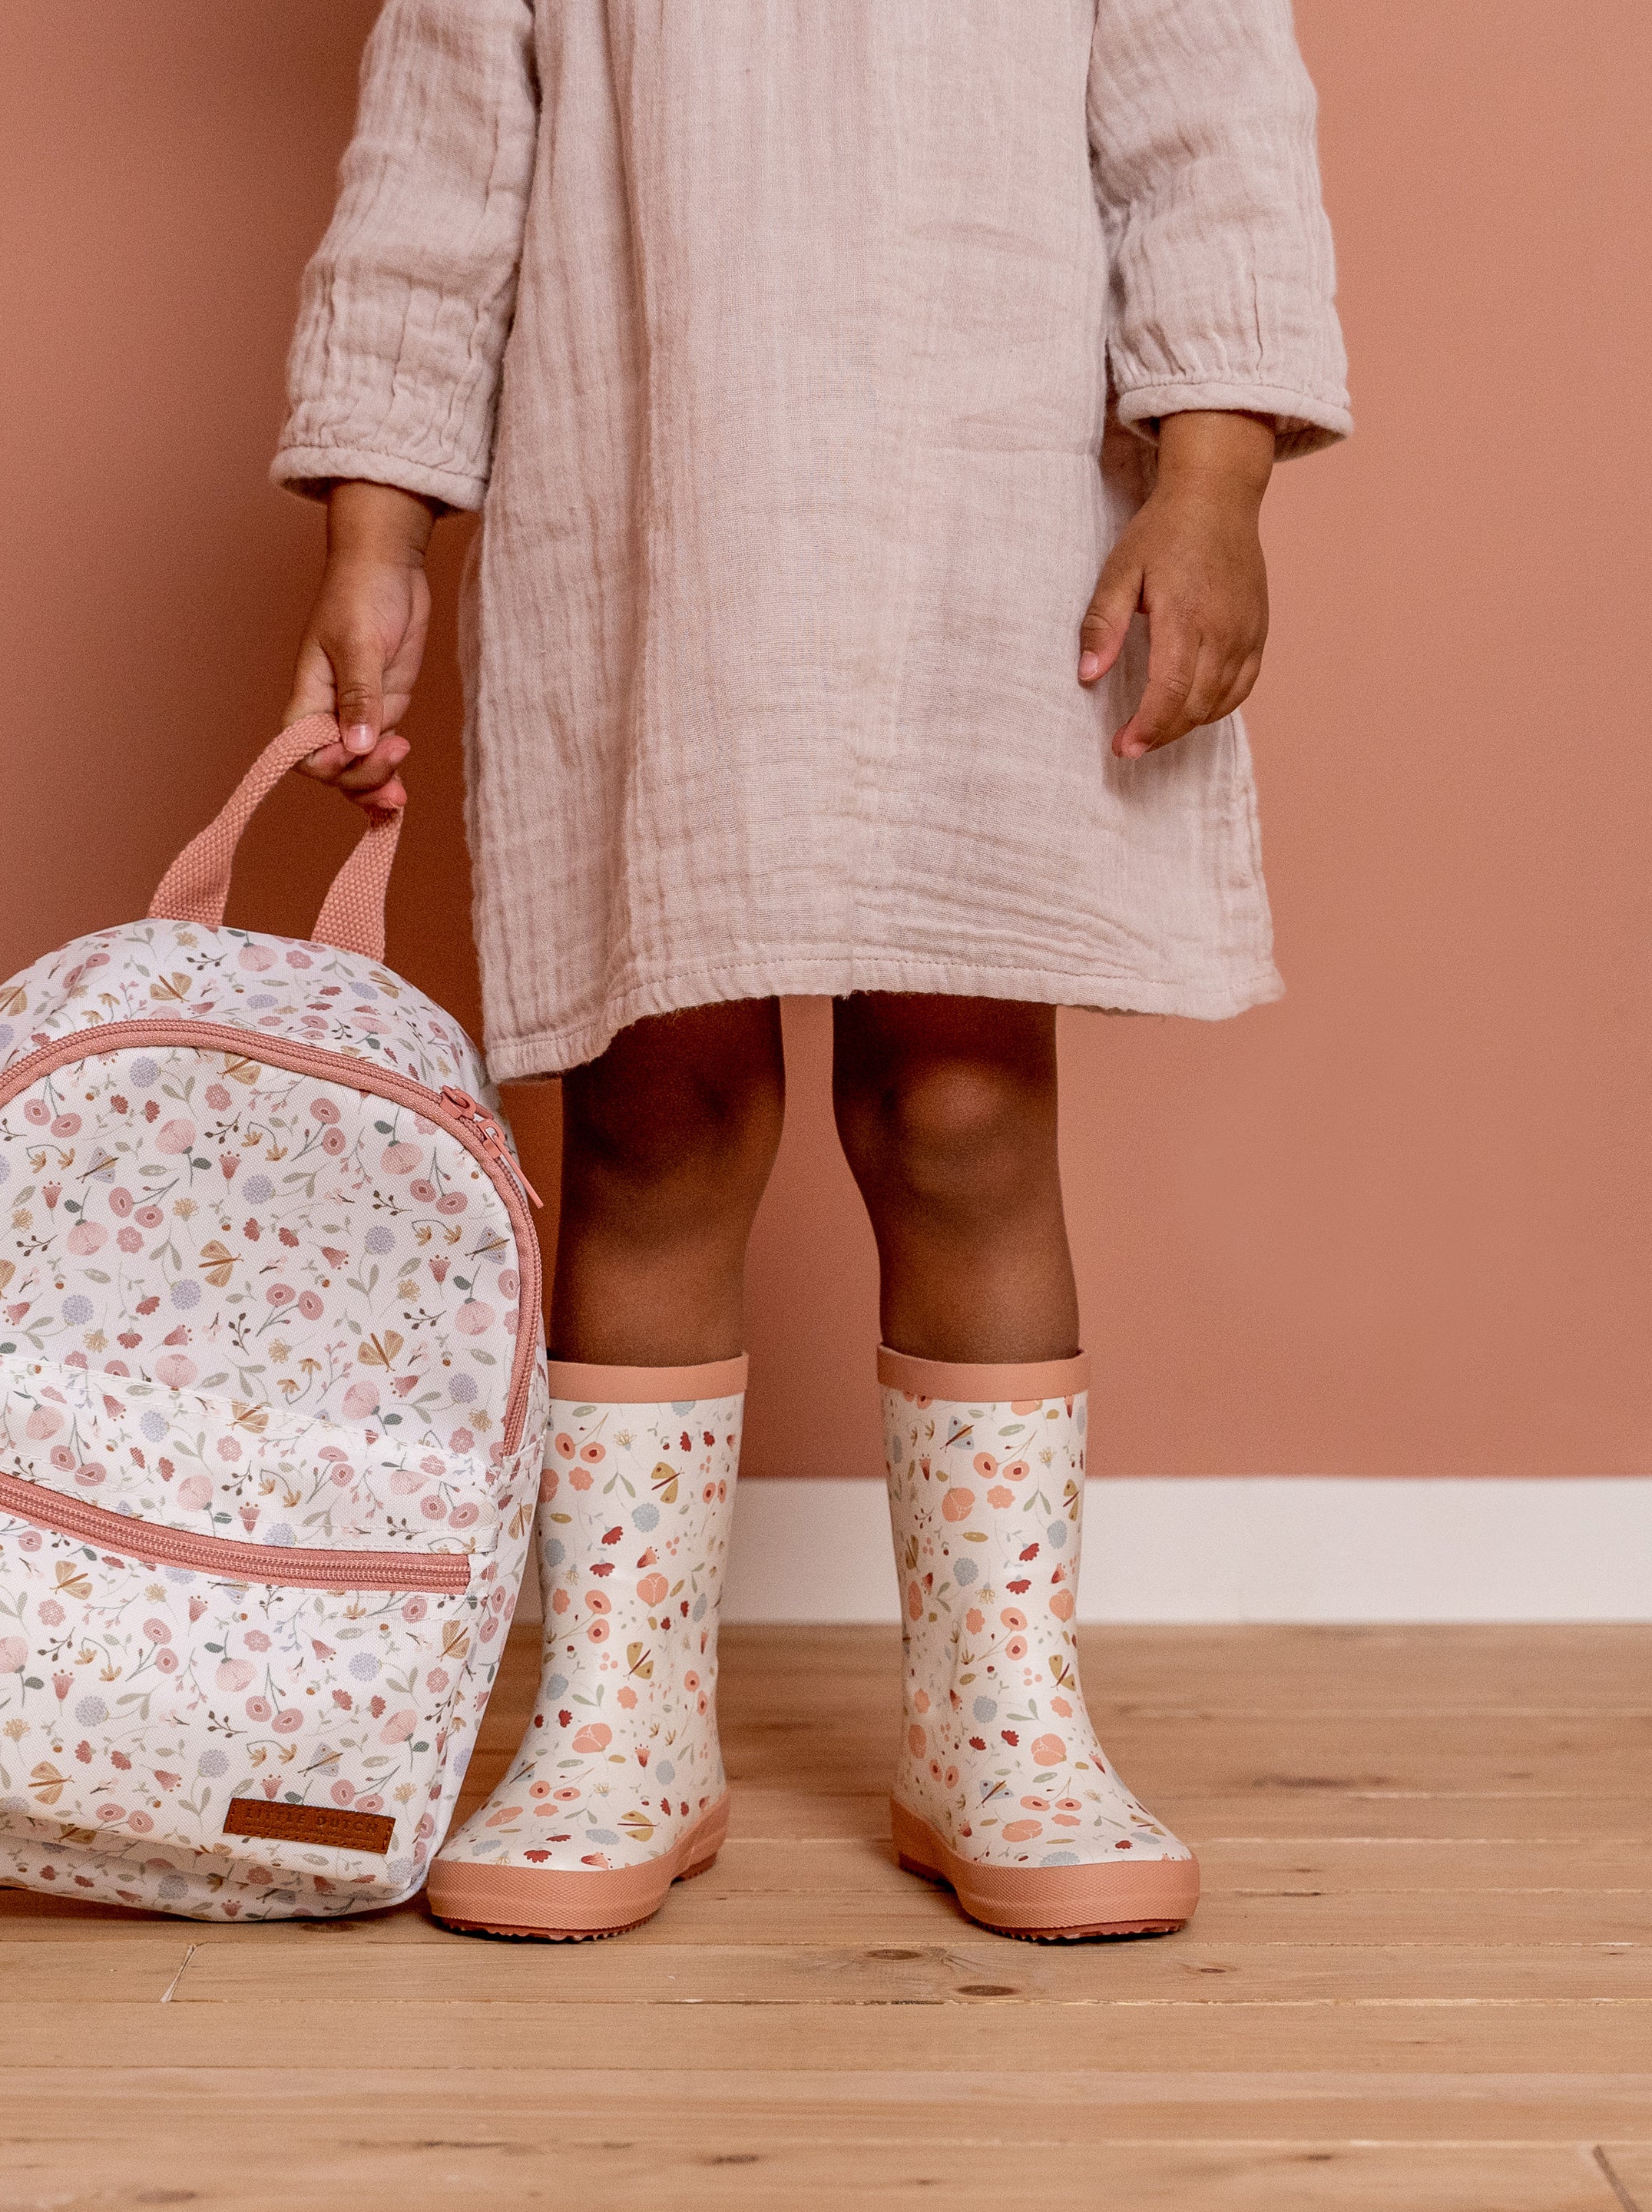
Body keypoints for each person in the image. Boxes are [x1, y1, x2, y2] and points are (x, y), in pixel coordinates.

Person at [273, 2, 1349, 1942]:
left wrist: (1216, 484)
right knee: (654, 1109)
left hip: (998, 503)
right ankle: (620, 1719)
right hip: (651, 495)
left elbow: (1208, 122)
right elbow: (437, 171)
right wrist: (376, 529)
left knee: (964, 1101)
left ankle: (999, 1721)